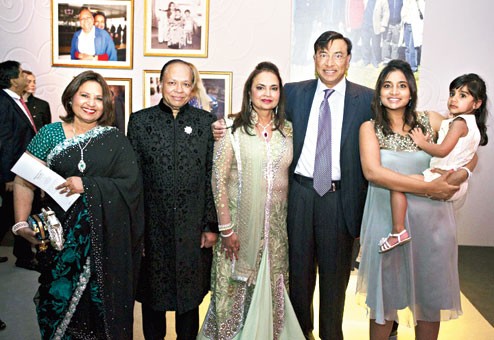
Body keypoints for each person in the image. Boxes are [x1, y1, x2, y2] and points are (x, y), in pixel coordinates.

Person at [12, 70, 144, 339]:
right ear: (71, 97)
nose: (91, 103)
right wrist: (20, 224)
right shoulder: (50, 134)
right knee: (56, 303)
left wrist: (89, 185)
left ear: (106, 105)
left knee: (99, 314)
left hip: (105, 246)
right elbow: (24, 180)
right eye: (85, 95)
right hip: (60, 241)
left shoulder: (115, 140)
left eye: (98, 98)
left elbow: (132, 187)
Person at [356, 59, 475, 340]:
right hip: (389, 226)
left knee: (429, 299)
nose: (394, 91)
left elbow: (469, 149)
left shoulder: (432, 121)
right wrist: (429, 187)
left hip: (432, 226)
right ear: (379, 92)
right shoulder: (369, 129)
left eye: (401, 85)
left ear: (411, 90)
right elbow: (374, 173)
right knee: (384, 300)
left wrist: (461, 175)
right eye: (387, 85)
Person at [198, 62, 304, 339]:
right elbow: (217, 180)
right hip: (238, 232)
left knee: (272, 288)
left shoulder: (289, 131)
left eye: (273, 88)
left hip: (276, 233)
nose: (267, 93)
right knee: (235, 292)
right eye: (260, 87)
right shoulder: (230, 129)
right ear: (249, 92)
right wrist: (227, 229)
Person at [284, 31, 374, 340]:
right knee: (298, 274)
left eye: (338, 55)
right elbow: (261, 120)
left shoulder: (367, 99)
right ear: (314, 59)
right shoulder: (293, 93)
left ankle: (331, 334)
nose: (330, 61)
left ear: (348, 60)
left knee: (335, 279)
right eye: (323, 54)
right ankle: (299, 332)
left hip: (340, 198)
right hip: (300, 193)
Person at [127, 59, 218, 340]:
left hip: (192, 229)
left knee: (189, 303)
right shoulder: (140, 121)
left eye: (186, 83)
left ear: (193, 87)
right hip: (154, 229)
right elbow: (134, 180)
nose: (179, 90)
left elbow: (210, 176)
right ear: (161, 83)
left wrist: (210, 225)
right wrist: (137, 231)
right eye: (172, 82)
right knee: (153, 301)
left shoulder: (205, 123)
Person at [381, 73, 488, 253]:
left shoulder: (460, 123)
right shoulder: (465, 123)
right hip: (452, 177)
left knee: (397, 185)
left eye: (463, 95)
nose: (454, 99)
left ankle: (398, 231)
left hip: (445, 177)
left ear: (477, 104)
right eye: (452, 93)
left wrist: (422, 142)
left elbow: (442, 150)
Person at [0, 60, 39, 270]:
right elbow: (5, 140)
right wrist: (7, 176)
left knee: (10, 214)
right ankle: (24, 258)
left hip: (23, 170)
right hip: (14, 173)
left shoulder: (16, 100)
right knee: (14, 214)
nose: (26, 76)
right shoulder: (4, 102)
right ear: (13, 79)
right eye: (22, 73)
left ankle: (23, 255)